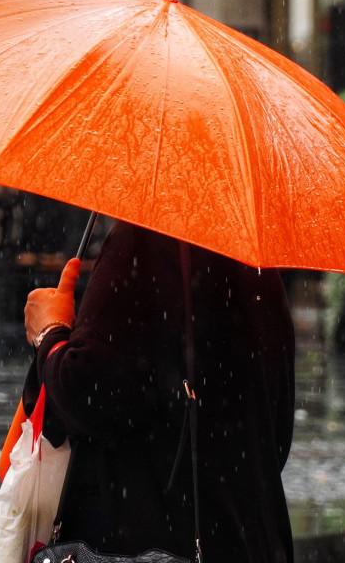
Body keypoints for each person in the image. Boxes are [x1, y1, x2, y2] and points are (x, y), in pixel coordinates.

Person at [23, 222, 295, 563]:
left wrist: (49, 334)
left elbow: (88, 394)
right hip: (251, 539)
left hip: (149, 539)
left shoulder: (143, 241)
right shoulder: (256, 264)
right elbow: (276, 438)